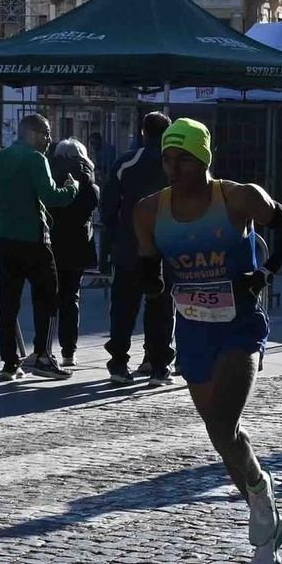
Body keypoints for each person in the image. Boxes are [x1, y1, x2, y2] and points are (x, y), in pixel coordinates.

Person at [134, 118, 282, 564]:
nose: (173, 168)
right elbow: (149, 266)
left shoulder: (237, 197)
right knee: (219, 434)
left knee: (225, 422)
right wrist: (149, 279)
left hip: (239, 326)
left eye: (184, 159)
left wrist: (265, 272)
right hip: (191, 329)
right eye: (167, 158)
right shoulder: (149, 210)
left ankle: (261, 505)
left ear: (204, 160)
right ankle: (263, 502)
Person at [0, 114, 80, 381]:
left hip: (4, 239)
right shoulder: (36, 159)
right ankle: (42, 356)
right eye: (46, 133)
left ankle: (9, 362)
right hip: (34, 240)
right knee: (49, 296)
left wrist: (7, 217)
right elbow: (51, 196)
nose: (49, 139)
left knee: (9, 301)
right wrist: (71, 189)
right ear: (31, 133)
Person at [101, 112, 177, 386]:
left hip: (130, 248)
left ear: (143, 132)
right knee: (161, 307)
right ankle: (158, 366)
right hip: (166, 248)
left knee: (123, 307)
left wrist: (116, 236)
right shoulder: (175, 165)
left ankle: (119, 364)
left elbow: (108, 205)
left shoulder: (125, 163)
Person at [48, 137, 101, 369]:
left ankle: (44, 349)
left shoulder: (50, 175)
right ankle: (69, 351)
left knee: (48, 298)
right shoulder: (90, 182)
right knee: (71, 298)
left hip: (51, 244)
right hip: (78, 245)